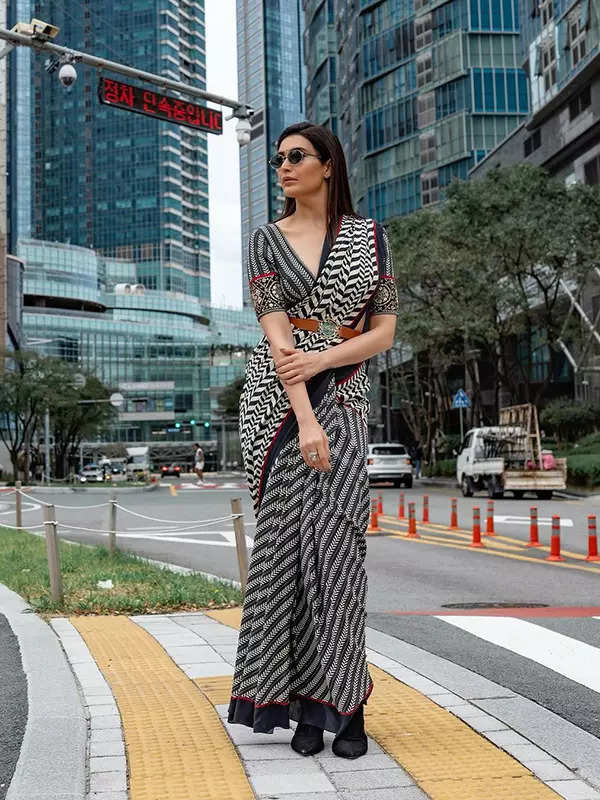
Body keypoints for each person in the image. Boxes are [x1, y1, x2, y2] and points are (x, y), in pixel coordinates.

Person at [229, 122, 399, 759]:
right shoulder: (265, 241)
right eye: (278, 159)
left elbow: (382, 331)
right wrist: (305, 419)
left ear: (328, 165)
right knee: (287, 562)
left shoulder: (372, 238)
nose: (283, 167)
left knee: (338, 558)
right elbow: (279, 340)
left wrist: (329, 361)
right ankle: (303, 707)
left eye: (296, 157)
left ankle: (346, 704)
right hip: (275, 408)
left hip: (346, 397)